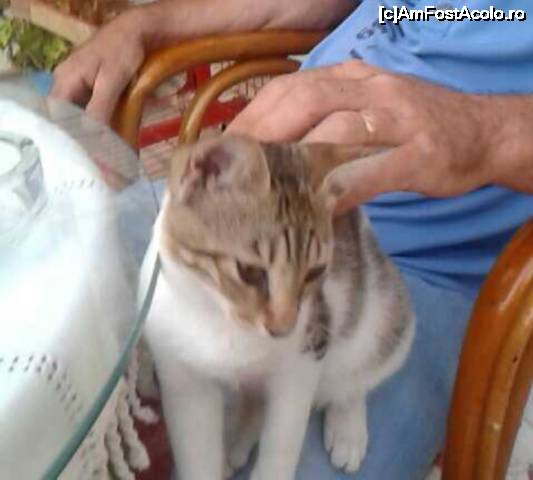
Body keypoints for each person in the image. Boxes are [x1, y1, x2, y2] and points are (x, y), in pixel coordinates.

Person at [51, 1, 533, 478]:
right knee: (52, 306)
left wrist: (489, 133)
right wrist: (146, 23)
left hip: (421, 267)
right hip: (260, 203)